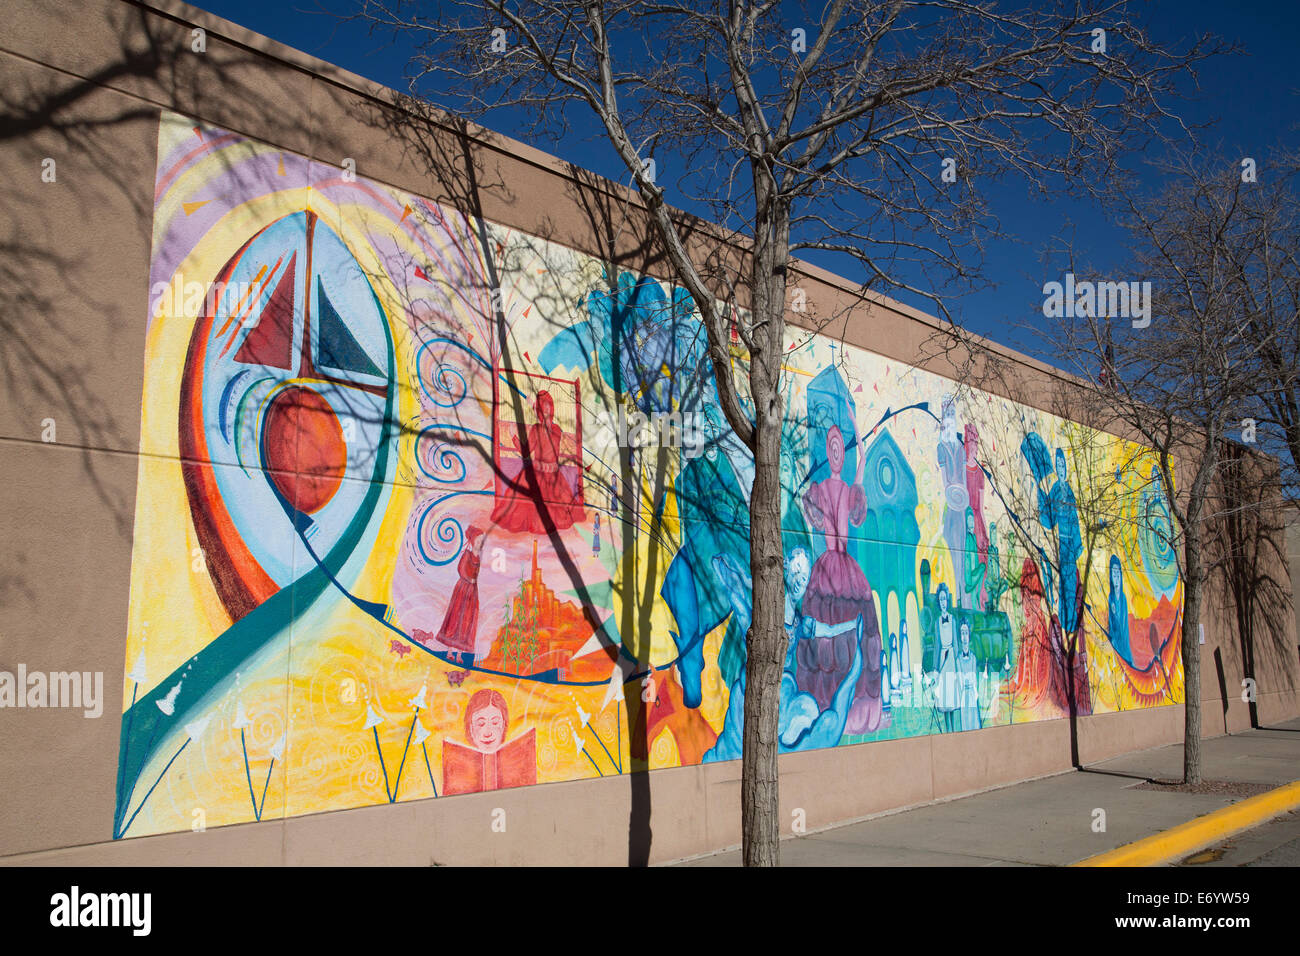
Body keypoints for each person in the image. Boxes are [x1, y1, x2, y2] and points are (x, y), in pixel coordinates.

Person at [801, 425, 884, 734]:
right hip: (827, 572)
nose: (836, 453)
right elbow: (809, 506)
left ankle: (858, 710)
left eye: (840, 448)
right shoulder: (819, 488)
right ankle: (825, 708)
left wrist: (859, 437)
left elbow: (861, 464)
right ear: (827, 451)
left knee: (860, 636)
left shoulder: (851, 490)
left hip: (847, 573)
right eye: (832, 447)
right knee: (824, 640)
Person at [491, 390, 584, 533]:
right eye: (543, 406)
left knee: (561, 511)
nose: (546, 408)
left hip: (553, 477)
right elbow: (527, 451)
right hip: (538, 474)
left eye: (548, 405)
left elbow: (547, 428)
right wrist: (513, 437)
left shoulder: (557, 430)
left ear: (551, 408)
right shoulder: (536, 429)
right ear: (541, 408)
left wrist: (533, 406)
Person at [431, 525, 485, 664]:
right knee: (456, 616)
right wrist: (469, 579)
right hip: (462, 588)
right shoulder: (467, 554)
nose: (480, 543)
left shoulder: (479, 557)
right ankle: (450, 651)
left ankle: (459, 653)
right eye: (479, 541)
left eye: (482, 541)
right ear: (473, 541)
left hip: (472, 591)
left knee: (466, 620)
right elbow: (460, 569)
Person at [930, 582, 959, 732]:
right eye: (940, 599)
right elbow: (937, 646)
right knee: (945, 696)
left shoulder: (952, 619)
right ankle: (948, 730)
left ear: (947, 601)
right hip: (942, 659)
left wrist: (959, 664)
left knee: (952, 696)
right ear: (938, 602)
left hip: (952, 660)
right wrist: (935, 669)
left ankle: (953, 728)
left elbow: (955, 642)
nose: (943, 602)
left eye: (945, 599)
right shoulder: (937, 623)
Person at [1107, 554, 1132, 665]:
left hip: (1124, 645)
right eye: (1114, 574)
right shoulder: (1110, 598)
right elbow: (1112, 626)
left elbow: (1124, 626)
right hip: (1115, 642)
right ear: (1111, 576)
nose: (1116, 577)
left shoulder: (1123, 598)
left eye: (1118, 574)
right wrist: (1113, 613)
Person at [957, 620, 980, 731]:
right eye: (962, 633)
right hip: (963, 694)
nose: (964, 636)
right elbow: (960, 678)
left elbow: (973, 678)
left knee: (974, 720)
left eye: (966, 633)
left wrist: (975, 691)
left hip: (971, 693)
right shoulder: (958, 660)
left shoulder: (973, 658)